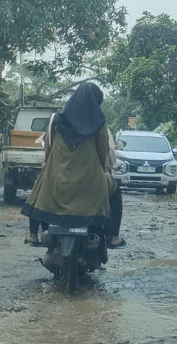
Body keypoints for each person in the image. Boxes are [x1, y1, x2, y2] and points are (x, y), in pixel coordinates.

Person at [21, 82, 126, 249]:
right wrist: (99, 169)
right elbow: (103, 152)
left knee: (38, 188)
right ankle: (113, 237)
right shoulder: (99, 122)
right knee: (115, 191)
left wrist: (50, 168)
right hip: (89, 183)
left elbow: (48, 149)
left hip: (58, 182)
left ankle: (33, 235)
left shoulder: (56, 119)